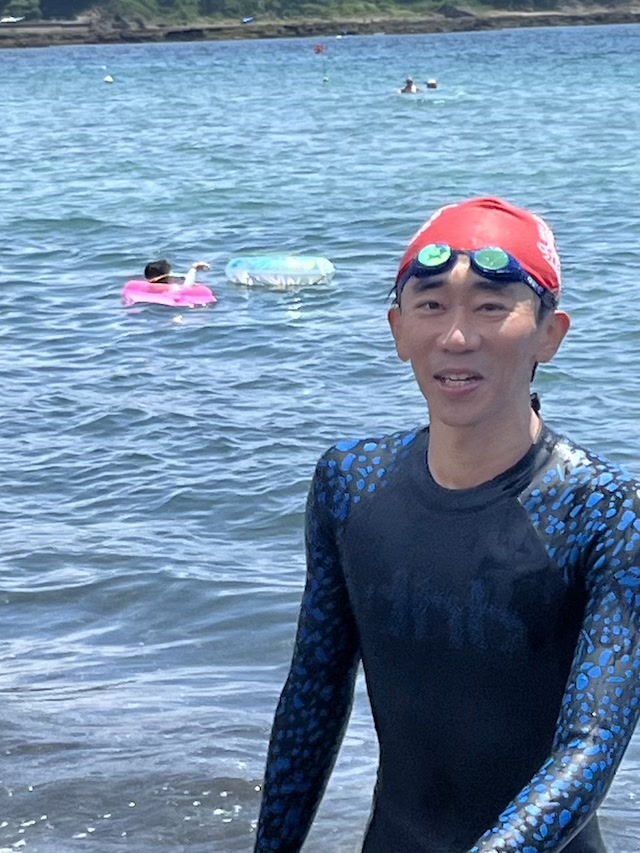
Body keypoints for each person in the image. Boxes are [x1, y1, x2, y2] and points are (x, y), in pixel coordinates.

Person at [253, 196, 640, 853]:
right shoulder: (350, 482)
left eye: (491, 307)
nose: (457, 337)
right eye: (431, 305)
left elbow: (591, 744)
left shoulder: (605, 511)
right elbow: (312, 698)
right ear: (398, 328)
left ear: (550, 333)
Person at [143, 258, 210, 288]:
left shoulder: (147, 287)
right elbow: (186, 287)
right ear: (166, 277)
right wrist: (194, 269)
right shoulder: (172, 289)